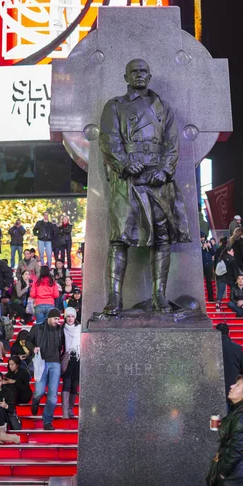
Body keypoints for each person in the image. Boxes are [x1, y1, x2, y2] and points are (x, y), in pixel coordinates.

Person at [99, 58, 191, 315]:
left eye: (144, 71)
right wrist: (125, 163)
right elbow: (108, 139)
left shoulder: (164, 107)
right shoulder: (115, 106)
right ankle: (115, 297)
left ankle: (159, 295)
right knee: (120, 237)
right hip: (127, 179)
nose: (139, 75)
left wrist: (164, 169)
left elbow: (172, 143)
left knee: (162, 238)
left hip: (157, 180)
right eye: (134, 71)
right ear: (126, 76)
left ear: (150, 76)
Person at [207, 375, 243, 486]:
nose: (232, 386)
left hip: (236, 478)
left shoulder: (242, 417)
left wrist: (222, 473)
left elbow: (235, 451)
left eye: (238, 385)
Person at [26, 308, 63, 430]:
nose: (57, 321)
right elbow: (27, 340)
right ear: (49, 317)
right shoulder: (37, 328)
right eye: (55, 318)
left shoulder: (60, 329)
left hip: (55, 363)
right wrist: (33, 348)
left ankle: (47, 421)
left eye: (58, 319)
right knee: (39, 391)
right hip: (41, 362)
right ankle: (35, 401)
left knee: (53, 396)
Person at [215, 323, 243, 398]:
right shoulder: (237, 347)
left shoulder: (210, 348)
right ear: (229, 332)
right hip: (233, 387)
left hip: (215, 388)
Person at [61, 307, 80, 419]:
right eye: (68, 316)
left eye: (72, 316)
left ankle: (70, 409)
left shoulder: (79, 328)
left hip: (78, 358)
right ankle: (64, 411)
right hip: (67, 358)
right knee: (67, 383)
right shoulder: (62, 329)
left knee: (74, 385)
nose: (70, 319)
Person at [201, 233, 215, 302]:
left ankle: (211, 297)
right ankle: (200, 298)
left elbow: (213, 253)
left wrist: (210, 247)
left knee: (209, 281)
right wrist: (202, 249)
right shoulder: (197, 244)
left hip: (208, 264)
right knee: (199, 282)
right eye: (201, 237)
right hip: (200, 265)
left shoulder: (208, 242)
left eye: (203, 237)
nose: (202, 239)